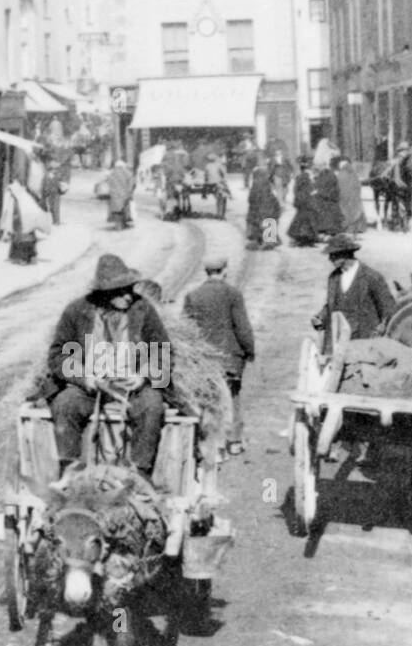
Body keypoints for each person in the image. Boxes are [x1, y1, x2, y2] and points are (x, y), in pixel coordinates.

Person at [37, 255, 170, 479]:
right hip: (90, 389)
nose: (129, 296)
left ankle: (140, 473)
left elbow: (161, 349)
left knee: (153, 405)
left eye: (130, 289)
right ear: (104, 291)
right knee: (64, 404)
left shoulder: (142, 310)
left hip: (132, 389)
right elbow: (59, 355)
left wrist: (143, 377)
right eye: (121, 291)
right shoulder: (77, 312)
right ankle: (69, 471)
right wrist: (84, 379)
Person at [182, 257, 255, 455]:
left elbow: (186, 330)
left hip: (204, 358)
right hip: (229, 356)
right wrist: (249, 350)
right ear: (224, 270)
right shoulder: (232, 294)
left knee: (207, 398)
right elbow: (242, 327)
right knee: (232, 396)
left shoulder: (192, 296)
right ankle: (234, 441)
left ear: (206, 272)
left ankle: (209, 440)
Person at [310, 233, 396, 353]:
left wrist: (379, 333)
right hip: (337, 340)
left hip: (364, 342)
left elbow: (389, 310)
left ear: (345, 254)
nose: (330, 259)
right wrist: (321, 317)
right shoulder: (333, 278)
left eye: (333, 255)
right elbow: (332, 306)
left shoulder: (372, 277)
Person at [246, 164, 280, 250]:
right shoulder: (266, 183)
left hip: (260, 208)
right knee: (268, 221)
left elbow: (252, 197)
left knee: (257, 222)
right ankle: (268, 240)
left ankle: (259, 240)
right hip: (267, 207)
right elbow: (270, 194)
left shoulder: (256, 183)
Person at [287, 158, 318, 247]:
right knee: (305, 219)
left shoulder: (302, 177)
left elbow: (296, 190)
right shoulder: (305, 177)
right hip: (305, 201)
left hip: (303, 201)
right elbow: (307, 189)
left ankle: (303, 238)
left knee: (303, 219)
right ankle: (304, 238)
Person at [334, 156, 366, 234]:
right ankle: (358, 228)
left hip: (344, 197)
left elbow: (338, 186)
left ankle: (348, 227)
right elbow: (358, 185)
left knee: (346, 211)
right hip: (355, 197)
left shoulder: (341, 174)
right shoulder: (353, 173)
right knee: (357, 211)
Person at [312, 159, 343, 238]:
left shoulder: (327, 174)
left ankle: (327, 233)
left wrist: (319, 192)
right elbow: (318, 185)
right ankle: (325, 232)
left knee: (327, 216)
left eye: (318, 165)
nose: (317, 167)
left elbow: (326, 187)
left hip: (328, 199)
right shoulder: (324, 173)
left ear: (323, 165)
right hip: (326, 198)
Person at [106, 158, 134, 230]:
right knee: (126, 208)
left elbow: (107, 182)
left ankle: (116, 222)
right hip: (124, 194)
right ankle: (125, 221)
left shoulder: (112, 173)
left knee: (113, 208)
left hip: (114, 195)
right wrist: (130, 192)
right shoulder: (127, 173)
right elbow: (131, 183)